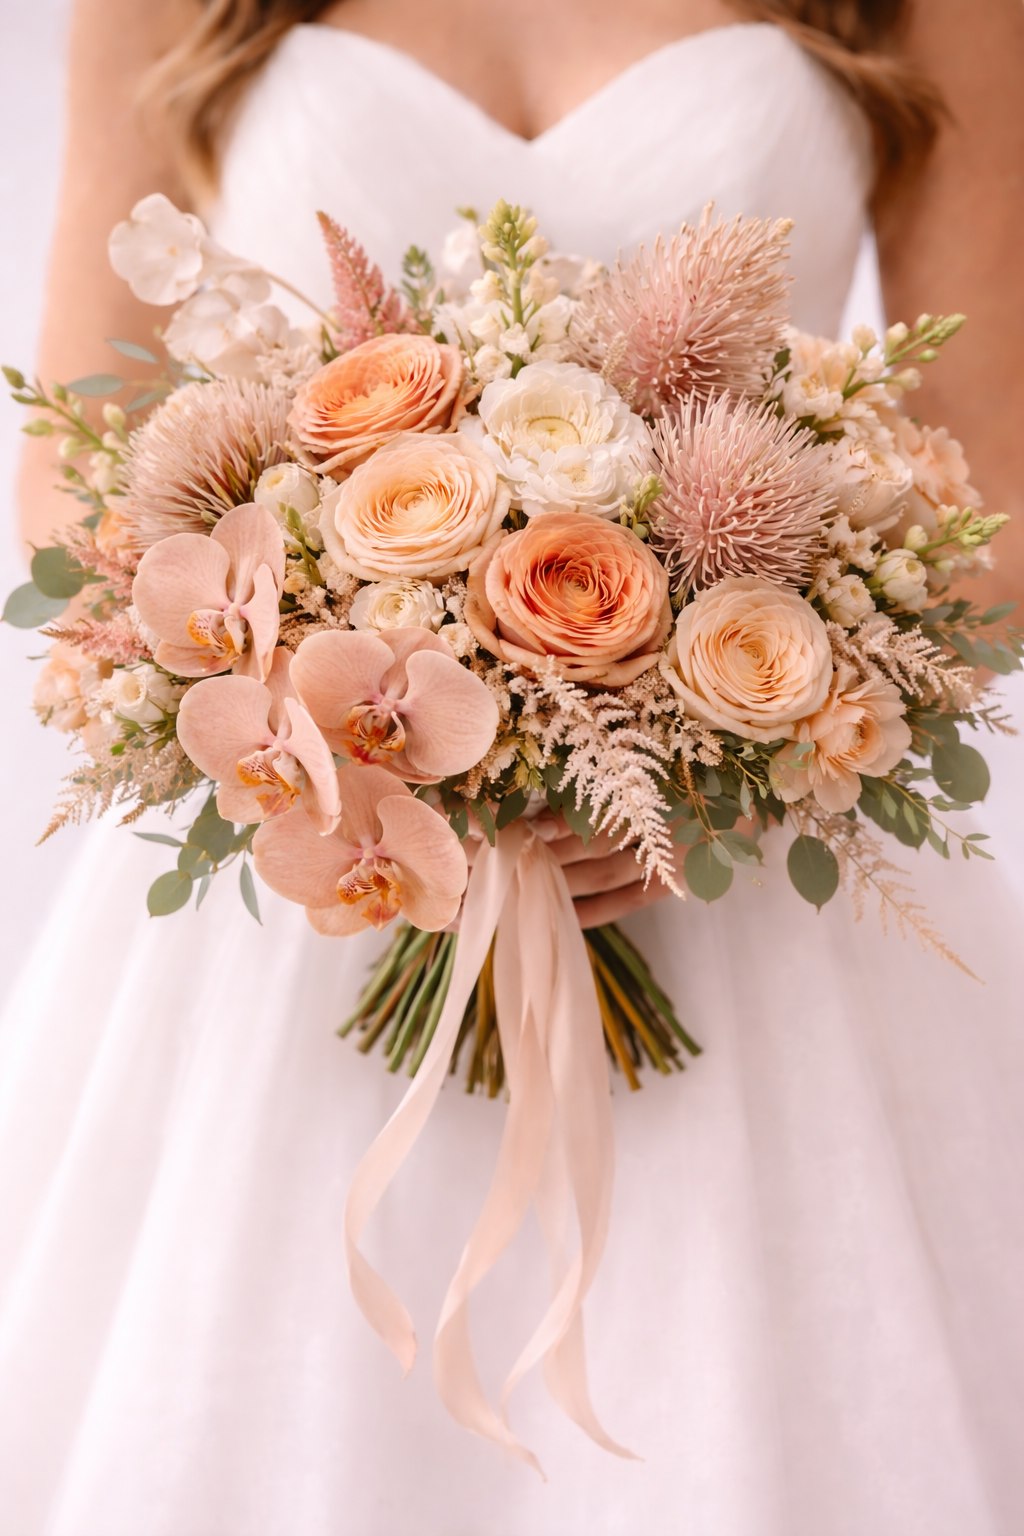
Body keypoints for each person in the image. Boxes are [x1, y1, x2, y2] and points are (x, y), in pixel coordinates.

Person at [1, 1, 1023, 1531]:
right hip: (308, 903)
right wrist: (350, 730)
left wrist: (697, 750)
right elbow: (72, 495)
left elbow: (992, 506)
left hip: (753, 898)